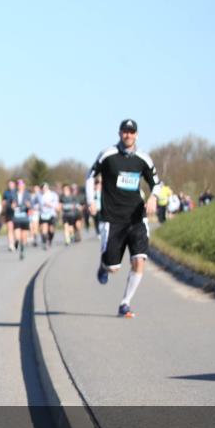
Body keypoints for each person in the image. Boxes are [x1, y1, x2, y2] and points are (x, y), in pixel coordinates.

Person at [86, 118, 163, 319]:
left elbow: (157, 183)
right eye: (125, 131)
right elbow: (90, 176)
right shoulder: (108, 155)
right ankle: (104, 265)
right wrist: (90, 200)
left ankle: (125, 303)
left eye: (131, 132)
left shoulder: (143, 158)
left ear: (136, 135)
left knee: (139, 260)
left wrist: (153, 197)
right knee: (113, 268)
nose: (128, 135)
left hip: (136, 217)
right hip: (113, 219)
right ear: (119, 133)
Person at [9, 179, 33, 260]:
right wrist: (12, 206)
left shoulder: (27, 194)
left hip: (25, 218)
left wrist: (29, 205)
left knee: (24, 236)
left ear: (24, 185)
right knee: (17, 236)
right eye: (19, 185)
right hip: (16, 217)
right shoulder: (13, 194)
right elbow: (9, 204)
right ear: (17, 186)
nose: (20, 186)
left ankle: (22, 250)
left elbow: (31, 205)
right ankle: (16, 242)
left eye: (21, 184)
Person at [38, 182, 59, 249]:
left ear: (47, 188)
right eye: (42, 188)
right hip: (43, 215)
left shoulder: (53, 194)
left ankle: (50, 240)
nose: (44, 189)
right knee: (44, 230)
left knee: (51, 230)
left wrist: (49, 205)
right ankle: (45, 242)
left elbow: (56, 204)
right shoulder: (39, 195)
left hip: (52, 214)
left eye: (45, 188)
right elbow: (36, 204)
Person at [2, 179, 17, 252]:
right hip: (8, 212)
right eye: (9, 184)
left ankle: (16, 241)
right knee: (9, 228)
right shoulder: (6, 192)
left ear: (14, 185)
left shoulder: (17, 191)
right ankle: (11, 244)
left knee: (16, 229)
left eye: (11, 184)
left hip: (17, 213)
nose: (10, 185)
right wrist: (3, 204)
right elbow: (3, 201)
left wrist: (15, 204)